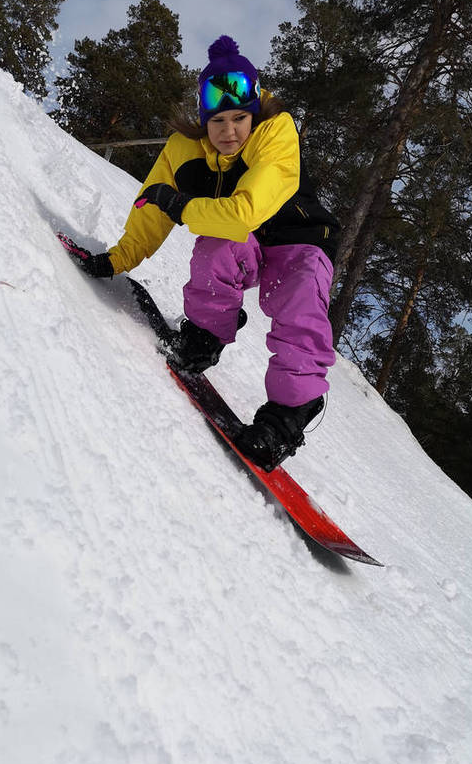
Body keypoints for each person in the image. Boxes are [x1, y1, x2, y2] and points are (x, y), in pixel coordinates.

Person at [79, 35, 340, 472]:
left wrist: (180, 205)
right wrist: (116, 259)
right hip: (246, 241)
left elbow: (246, 212)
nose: (230, 131)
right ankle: (203, 337)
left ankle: (287, 416)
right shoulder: (184, 150)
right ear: (203, 120)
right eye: (217, 121)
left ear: (254, 112)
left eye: (240, 118)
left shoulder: (276, 131)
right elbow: (150, 208)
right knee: (214, 249)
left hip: (301, 238)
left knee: (297, 305)